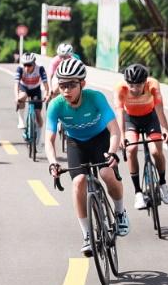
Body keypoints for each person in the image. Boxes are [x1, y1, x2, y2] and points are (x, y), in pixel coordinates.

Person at [45, 57, 129, 250]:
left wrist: (112, 153)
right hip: (77, 143)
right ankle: (87, 235)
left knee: (106, 173)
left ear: (82, 83)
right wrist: (52, 163)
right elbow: (49, 140)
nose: (66, 90)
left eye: (71, 85)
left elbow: (115, 130)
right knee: (78, 181)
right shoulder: (56, 105)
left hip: (101, 139)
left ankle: (120, 212)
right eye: (62, 84)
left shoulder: (95, 98)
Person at [117, 63, 168, 209]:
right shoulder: (120, 88)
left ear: (145, 82)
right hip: (131, 120)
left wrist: (166, 129)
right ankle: (138, 193)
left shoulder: (153, 85)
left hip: (150, 118)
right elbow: (119, 113)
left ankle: (162, 183)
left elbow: (159, 109)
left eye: (138, 85)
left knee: (155, 151)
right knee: (131, 149)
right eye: (131, 85)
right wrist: (122, 136)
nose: (134, 89)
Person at [14, 52, 48, 136]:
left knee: (38, 115)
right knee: (22, 96)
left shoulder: (40, 69)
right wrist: (16, 97)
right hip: (24, 88)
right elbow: (16, 85)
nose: (26, 68)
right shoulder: (20, 69)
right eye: (25, 65)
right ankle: (21, 119)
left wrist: (46, 94)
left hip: (35, 90)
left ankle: (38, 139)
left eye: (29, 65)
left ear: (34, 63)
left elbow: (46, 85)